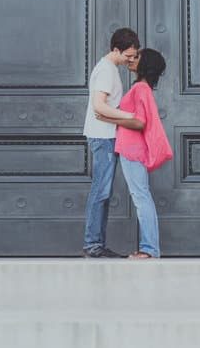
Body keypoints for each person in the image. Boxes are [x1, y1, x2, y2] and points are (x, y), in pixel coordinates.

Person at [81, 27, 143, 258]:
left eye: (134, 56)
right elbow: (99, 105)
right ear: (115, 49)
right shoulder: (107, 70)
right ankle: (93, 244)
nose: (131, 60)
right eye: (127, 55)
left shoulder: (108, 68)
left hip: (106, 135)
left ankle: (95, 243)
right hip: (104, 136)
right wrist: (131, 117)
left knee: (102, 191)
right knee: (101, 191)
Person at [114, 48, 173, 259]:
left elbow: (139, 122)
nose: (131, 59)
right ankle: (150, 248)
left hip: (132, 150)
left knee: (141, 198)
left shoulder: (140, 88)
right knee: (142, 196)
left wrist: (110, 118)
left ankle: (149, 249)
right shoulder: (142, 88)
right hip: (132, 149)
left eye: (136, 56)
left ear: (144, 62)